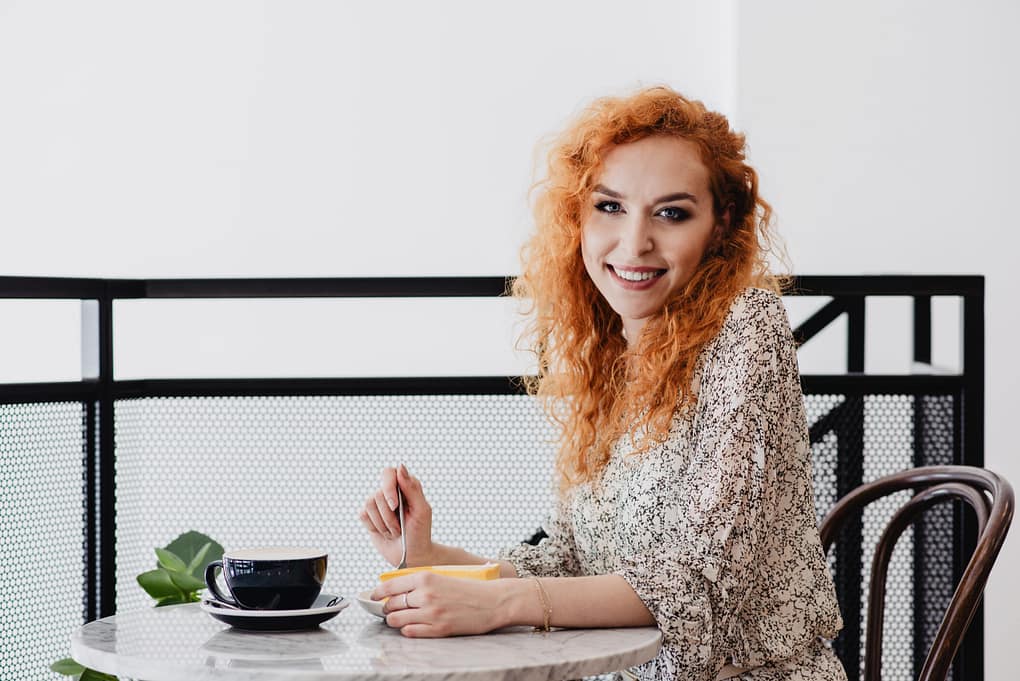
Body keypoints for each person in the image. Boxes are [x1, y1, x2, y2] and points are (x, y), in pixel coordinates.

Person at [360, 85, 846, 681]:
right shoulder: (608, 356)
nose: (634, 243)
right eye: (610, 207)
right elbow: (570, 562)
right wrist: (429, 556)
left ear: (720, 225)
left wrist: (499, 605)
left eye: (672, 213)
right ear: (578, 218)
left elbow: (697, 583)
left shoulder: (747, 326)